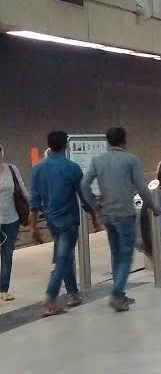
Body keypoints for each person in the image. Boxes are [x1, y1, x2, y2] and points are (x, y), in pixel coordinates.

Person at [81, 126, 159, 311]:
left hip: (107, 214)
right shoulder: (130, 160)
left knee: (116, 255)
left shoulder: (97, 160)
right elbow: (142, 187)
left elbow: (84, 184)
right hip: (124, 213)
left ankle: (120, 295)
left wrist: (95, 206)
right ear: (124, 140)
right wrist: (152, 206)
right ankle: (116, 294)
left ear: (107, 141)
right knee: (125, 256)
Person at [28, 130, 100, 316]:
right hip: (69, 220)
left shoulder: (37, 169)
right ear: (66, 144)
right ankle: (51, 297)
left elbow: (34, 201)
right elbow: (83, 196)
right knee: (62, 258)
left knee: (63, 255)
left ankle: (73, 294)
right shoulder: (72, 168)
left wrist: (34, 227)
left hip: (51, 220)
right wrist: (94, 216)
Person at [0, 144, 29, 302]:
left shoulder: (11, 169)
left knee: (7, 254)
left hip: (11, 219)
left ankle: (3, 289)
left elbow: (22, 189)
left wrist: (31, 207)